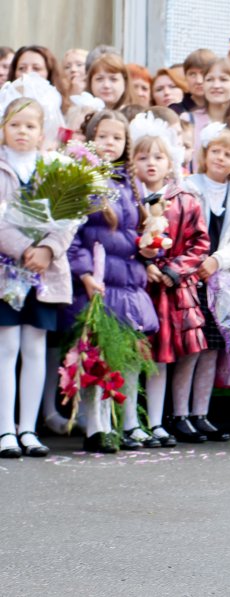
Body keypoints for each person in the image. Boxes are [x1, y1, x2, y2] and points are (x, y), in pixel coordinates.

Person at [66, 110, 160, 452]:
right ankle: (96, 425)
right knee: (98, 355)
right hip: (99, 280)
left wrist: (149, 250)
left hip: (129, 281)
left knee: (130, 354)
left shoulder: (128, 181)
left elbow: (134, 231)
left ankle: (125, 422)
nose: (110, 143)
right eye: (103, 136)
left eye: (117, 138)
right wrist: (85, 273)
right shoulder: (80, 178)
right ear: (91, 138)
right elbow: (72, 235)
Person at [130, 111, 211, 448]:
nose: (151, 163)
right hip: (139, 288)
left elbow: (200, 243)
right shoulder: (128, 198)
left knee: (164, 356)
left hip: (173, 288)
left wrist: (173, 269)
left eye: (158, 156)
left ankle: (158, 419)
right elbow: (121, 238)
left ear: (171, 161)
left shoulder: (185, 199)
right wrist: (141, 264)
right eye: (143, 156)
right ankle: (132, 421)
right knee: (139, 355)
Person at [0, 97, 74, 458]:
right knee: (6, 348)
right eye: (14, 124)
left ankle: (28, 429)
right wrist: (20, 248)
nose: (22, 132)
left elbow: (70, 218)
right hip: (6, 273)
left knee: (34, 348)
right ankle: (5, 430)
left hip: (44, 274)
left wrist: (46, 250)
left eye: (30, 126)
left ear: (42, 130)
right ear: (3, 128)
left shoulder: (55, 168)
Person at [176, 124, 230, 443]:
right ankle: (178, 413)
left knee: (210, 349)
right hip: (187, 278)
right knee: (190, 349)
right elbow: (179, 228)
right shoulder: (188, 186)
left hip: (217, 280)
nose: (221, 157)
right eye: (216, 151)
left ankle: (200, 413)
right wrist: (195, 262)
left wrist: (217, 261)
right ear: (205, 155)